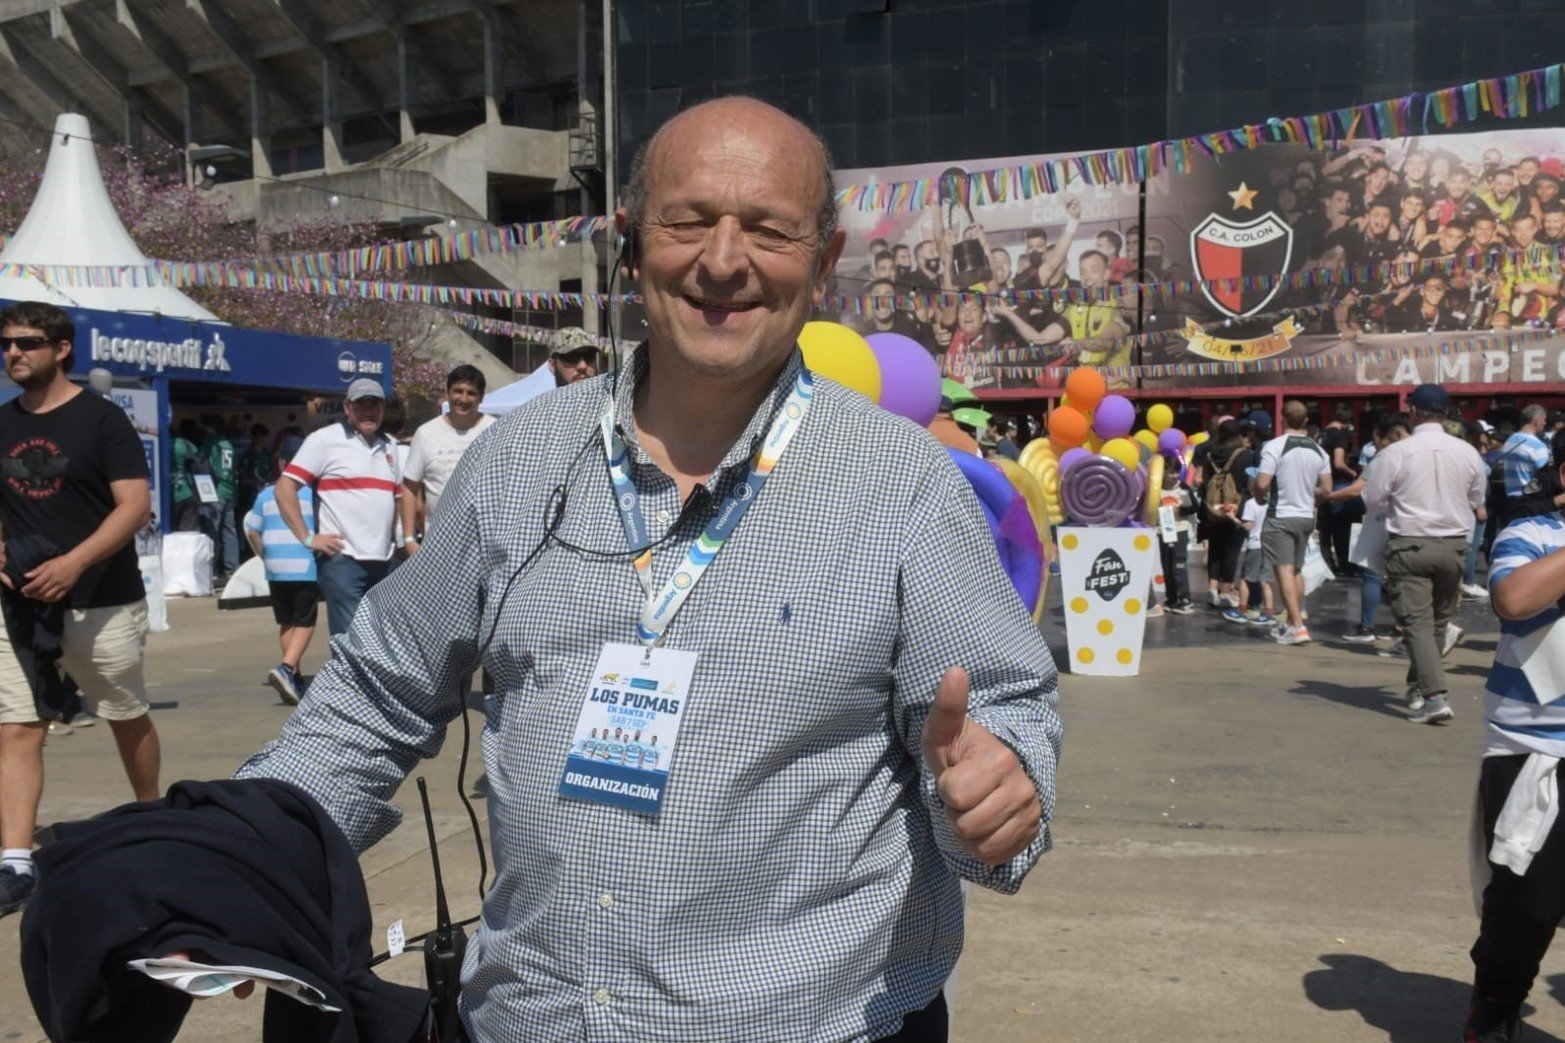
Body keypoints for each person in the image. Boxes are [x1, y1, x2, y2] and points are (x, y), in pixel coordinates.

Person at [233, 96, 1060, 1042]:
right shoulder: (516, 460)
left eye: (769, 230)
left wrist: (996, 788)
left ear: (823, 265)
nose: (721, 260)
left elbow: (995, 714)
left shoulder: (903, 487)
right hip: (530, 1017)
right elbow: (378, 688)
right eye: (688, 220)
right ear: (630, 243)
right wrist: (253, 851)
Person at [0, 302, 160, 916]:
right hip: (20, 604)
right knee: (17, 725)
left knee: (125, 711)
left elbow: (133, 506)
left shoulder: (101, 421)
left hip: (101, 600)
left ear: (62, 348)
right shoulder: (1, 422)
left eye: (28, 342)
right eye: (7, 343)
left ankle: (151, 813)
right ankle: (15, 861)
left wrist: (73, 563)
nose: (14, 352)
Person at [1464, 426, 1565, 1042]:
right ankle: (1496, 1002)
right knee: (1524, 907)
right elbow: (1513, 599)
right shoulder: (1531, 535)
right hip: (1535, 746)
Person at [1363, 383, 1486, 725]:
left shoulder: (1396, 453)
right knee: (1436, 623)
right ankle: (1419, 688)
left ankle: (1434, 696)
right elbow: (1477, 498)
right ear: (1446, 413)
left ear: (1413, 412)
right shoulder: (1467, 452)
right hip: (1454, 546)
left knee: (1417, 624)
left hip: (1409, 544)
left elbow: (1373, 500)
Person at [274, 378, 400, 639]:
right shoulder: (324, 440)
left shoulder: (391, 447)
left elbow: (398, 501)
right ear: (347, 407)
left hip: (383, 561)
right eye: (361, 404)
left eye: (374, 404)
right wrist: (308, 537)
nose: (368, 411)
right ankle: (350, 681)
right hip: (343, 560)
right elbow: (285, 487)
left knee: (380, 641)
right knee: (352, 643)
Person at [242, 435, 318, 706]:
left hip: (275, 567)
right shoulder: (313, 495)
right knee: (306, 621)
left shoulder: (266, 494)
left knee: (286, 621)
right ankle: (287, 666)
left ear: (282, 462)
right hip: (304, 566)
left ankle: (293, 677)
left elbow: (252, 529)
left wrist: (266, 555)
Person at [1325, 412, 1413, 642]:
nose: (1373, 443)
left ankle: (1366, 627)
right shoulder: (1418, 454)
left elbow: (1357, 489)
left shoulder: (1384, 457)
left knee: (1372, 575)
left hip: (1382, 519)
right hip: (1413, 523)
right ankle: (1402, 627)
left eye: (1375, 438)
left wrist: (1327, 496)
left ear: (1388, 436)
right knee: (1404, 578)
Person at [1253, 401, 1332, 646]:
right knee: (1296, 569)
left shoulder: (1274, 447)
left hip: (1281, 516)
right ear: (1306, 421)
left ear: (1282, 418)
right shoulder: (1320, 451)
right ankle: (1293, 624)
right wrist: (1309, 493)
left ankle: (1297, 626)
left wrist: (1255, 491)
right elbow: (1327, 489)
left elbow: (1264, 483)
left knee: (1284, 570)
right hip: (1306, 516)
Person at [401, 365, 496, 551]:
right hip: (439, 544)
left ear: (481, 397)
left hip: (485, 545)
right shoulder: (426, 433)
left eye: (471, 393)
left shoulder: (497, 430)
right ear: (447, 393)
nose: (463, 398)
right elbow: (410, 487)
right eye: (458, 391)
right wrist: (409, 538)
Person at [1230, 477, 1277, 628]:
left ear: (1252, 487)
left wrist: (1233, 518)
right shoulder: (1272, 503)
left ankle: (1241, 611)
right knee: (1265, 580)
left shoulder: (1251, 503)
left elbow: (1248, 526)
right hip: (1270, 545)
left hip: (1255, 545)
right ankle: (1269, 613)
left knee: (1245, 578)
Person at [199, 420, 239, 582]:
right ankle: (232, 568)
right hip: (230, 490)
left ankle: (211, 569)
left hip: (215, 491)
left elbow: (200, 461)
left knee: (212, 530)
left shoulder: (211, 441)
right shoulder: (228, 444)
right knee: (230, 530)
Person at [1500, 405, 1554, 526]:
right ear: (1536, 421)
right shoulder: (1537, 445)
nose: (1545, 423)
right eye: (1543, 420)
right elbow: (1548, 476)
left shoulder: (1509, 441)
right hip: (1530, 501)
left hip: (1511, 497)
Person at [1155, 466, 1196, 614]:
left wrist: (1180, 510)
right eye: (1171, 472)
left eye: (1176, 472)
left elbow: (1194, 507)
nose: (1174, 475)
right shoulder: (1156, 488)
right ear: (1163, 473)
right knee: (1167, 566)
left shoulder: (1183, 487)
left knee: (1178, 565)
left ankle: (1186, 600)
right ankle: (1171, 598)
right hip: (1164, 530)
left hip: (1180, 529)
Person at [169, 420, 201, 532]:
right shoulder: (184, 443)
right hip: (187, 492)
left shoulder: (161, 445)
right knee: (189, 533)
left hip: (167, 497)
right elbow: (199, 461)